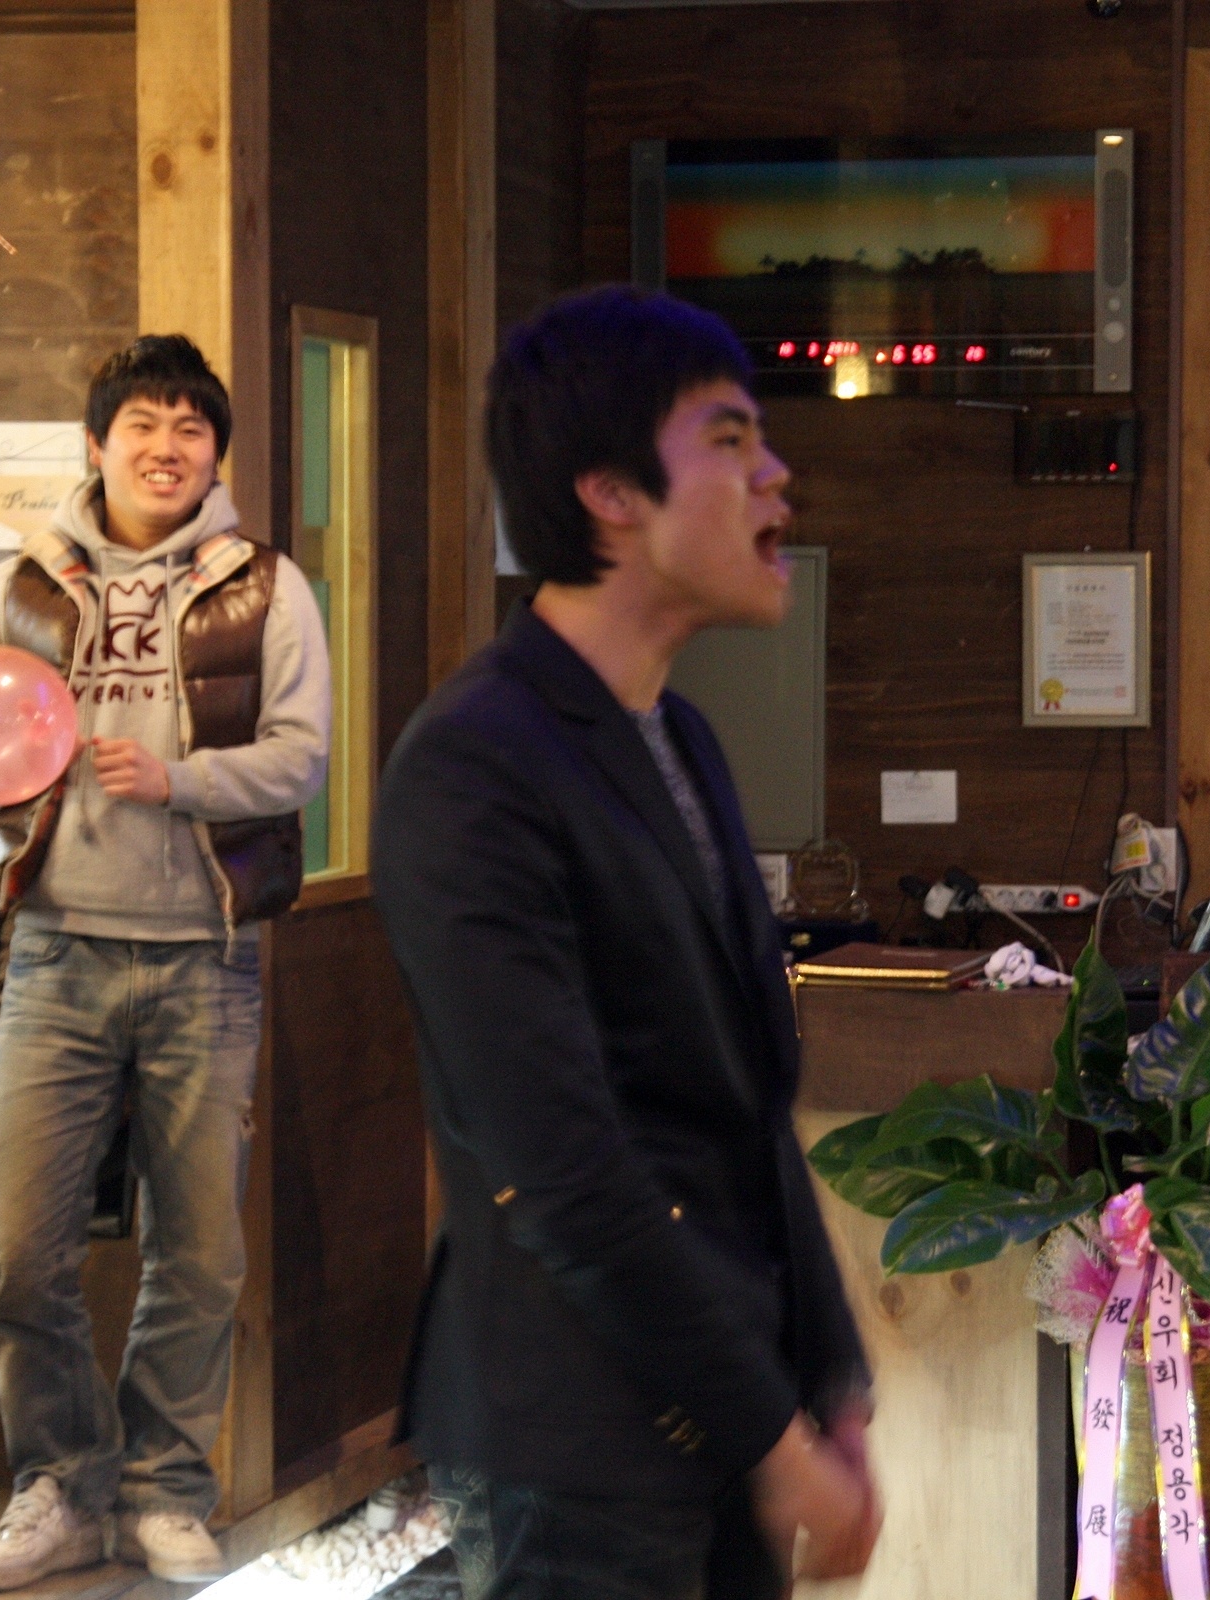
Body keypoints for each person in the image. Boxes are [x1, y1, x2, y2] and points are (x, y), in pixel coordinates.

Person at [373, 286, 879, 1599]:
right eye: (729, 438)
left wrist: (830, 1382)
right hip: (579, 1444)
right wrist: (775, 1440)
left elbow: (749, 1110)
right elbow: (565, 1169)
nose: (776, 476)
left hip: (728, 1407)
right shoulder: (473, 766)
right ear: (607, 492)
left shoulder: (680, 736)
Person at [0, 335, 331, 1590]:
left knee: (199, 1248)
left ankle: (167, 1488)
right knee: (18, 1247)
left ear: (216, 452)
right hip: (54, 951)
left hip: (205, 957)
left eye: (190, 428)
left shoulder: (264, 587)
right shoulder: (22, 585)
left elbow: (302, 756)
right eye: (143, 426)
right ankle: (62, 1485)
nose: (166, 448)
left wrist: (180, 782)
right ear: (97, 443)